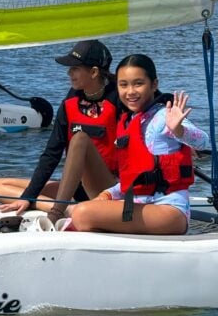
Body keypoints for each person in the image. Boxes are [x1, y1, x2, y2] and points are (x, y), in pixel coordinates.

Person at [65, 53, 209, 236]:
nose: (130, 91)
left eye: (138, 84)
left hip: (170, 212)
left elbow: (204, 142)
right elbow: (132, 179)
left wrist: (180, 131)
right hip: (140, 205)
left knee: (82, 213)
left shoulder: (164, 117)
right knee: (83, 208)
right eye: (123, 85)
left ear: (154, 84)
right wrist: (108, 195)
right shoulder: (128, 121)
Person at [0, 39, 119, 219]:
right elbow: (51, 153)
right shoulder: (70, 102)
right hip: (76, 189)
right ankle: (69, 208)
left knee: (80, 139)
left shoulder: (119, 99)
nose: (69, 73)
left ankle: (59, 210)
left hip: (107, 189)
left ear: (94, 72)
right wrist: (28, 196)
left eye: (75, 68)